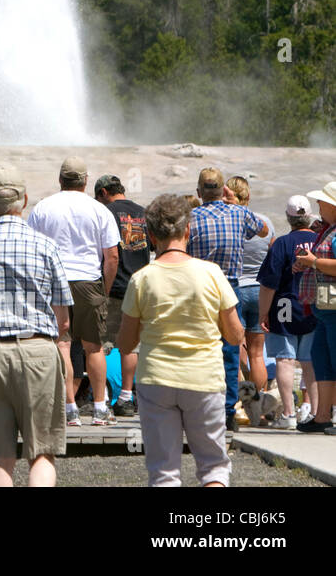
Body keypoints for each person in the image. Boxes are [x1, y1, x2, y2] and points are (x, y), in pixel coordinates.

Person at [0, 165, 72, 487]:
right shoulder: (46, 247)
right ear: (25, 200)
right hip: (37, 350)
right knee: (43, 452)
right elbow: (63, 319)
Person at [118, 194, 242, 486]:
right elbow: (235, 335)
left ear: (150, 235)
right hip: (204, 378)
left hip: (156, 379)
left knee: (164, 471)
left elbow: (125, 343)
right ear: (188, 230)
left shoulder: (142, 279)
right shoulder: (211, 273)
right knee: (213, 467)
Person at [27, 156, 120, 426]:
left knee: (62, 345)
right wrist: (105, 288)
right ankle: (101, 408)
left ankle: (69, 409)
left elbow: (34, 251)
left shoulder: (43, 207)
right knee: (94, 347)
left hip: (55, 281)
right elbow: (111, 256)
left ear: (60, 179)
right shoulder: (99, 209)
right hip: (89, 281)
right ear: (86, 180)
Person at [187, 167, 266, 435]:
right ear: (224, 190)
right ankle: (228, 411)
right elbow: (264, 230)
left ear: (199, 192)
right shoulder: (240, 213)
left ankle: (199, 409)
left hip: (199, 287)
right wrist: (232, 202)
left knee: (197, 348)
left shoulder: (191, 218)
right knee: (230, 351)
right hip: (229, 287)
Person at [258, 195, 319, 430]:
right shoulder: (320, 240)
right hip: (312, 306)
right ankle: (315, 412)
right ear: (309, 216)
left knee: (284, 359)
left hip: (285, 305)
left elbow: (269, 283)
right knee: (310, 362)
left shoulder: (282, 244)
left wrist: (264, 313)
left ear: (288, 217)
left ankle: (289, 414)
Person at [94, 174, 149, 417]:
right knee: (131, 346)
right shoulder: (143, 212)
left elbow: (107, 254)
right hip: (139, 287)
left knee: (101, 344)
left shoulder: (106, 212)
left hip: (114, 287)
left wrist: (102, 289)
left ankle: (102, 399)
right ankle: (126, 397)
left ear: (104, 192)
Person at [225, 175, 273, 409]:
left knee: (233, 350)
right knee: (257, 353)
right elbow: (272, 252)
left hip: (234, 289)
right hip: (259, 290)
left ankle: (236, 405)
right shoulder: (264, 221)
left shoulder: (227, 219)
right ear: (249, 195)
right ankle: (258, 405)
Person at [293, 180, 336, 434]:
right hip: (325, 307)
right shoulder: (327, 230)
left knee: (332, 358)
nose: (318, 205)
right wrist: (308, 263)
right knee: (322, 360)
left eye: (323, 202)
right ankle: (322, 416)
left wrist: (314, 262)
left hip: (332, 307)